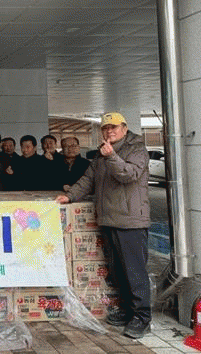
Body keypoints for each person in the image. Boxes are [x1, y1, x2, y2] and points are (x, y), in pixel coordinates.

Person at [56, 112, 151, 339]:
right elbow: (89, 179)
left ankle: (142, 317)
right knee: (118, 271)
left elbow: (129, 174)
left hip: (130, 221)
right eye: (105, 128)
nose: (109, 131)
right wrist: (70, 196)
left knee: (134, 271)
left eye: (114, 127)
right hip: (108, 219)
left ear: (124, 128)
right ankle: (127, 310)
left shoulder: (137, 149)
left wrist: (112, 157)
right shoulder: (102, 152)